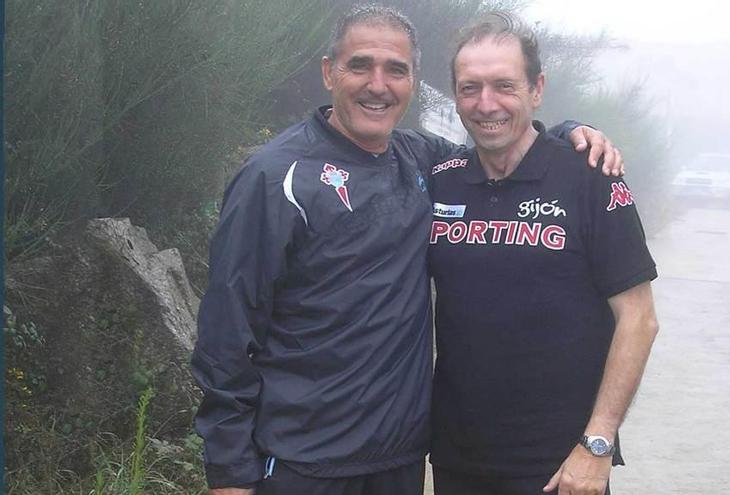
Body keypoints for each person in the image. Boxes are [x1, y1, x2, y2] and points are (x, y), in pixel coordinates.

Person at [191, 5, 623, 495]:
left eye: (395, 70)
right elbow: (227, 331)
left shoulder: (424, 160)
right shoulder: (275, 177)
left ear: (413, 81)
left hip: (401, 459)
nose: (378, 84)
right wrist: (228, 471)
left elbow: (502, 143)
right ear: (329, 72)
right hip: (301, 462)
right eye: (360, 65)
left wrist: (566, 133)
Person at [428, 12, 660, 495]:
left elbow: (638, 319)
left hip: (562, 467)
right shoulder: (439, 178)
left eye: (504, 85)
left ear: (537, 89)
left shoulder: (590, 177)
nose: (486, 103)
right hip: (457, 458)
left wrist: (597, 443)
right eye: (470, 88)